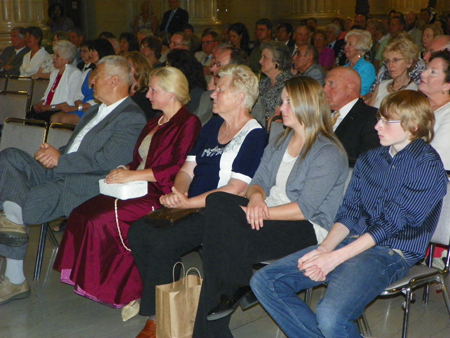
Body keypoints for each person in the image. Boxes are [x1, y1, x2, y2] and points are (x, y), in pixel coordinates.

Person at [250, 89, 448, 338]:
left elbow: (391, 225)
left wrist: (334, 258)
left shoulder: (427, 165)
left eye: (387, 121)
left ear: (414, 126)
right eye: (379, 118)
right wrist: (324, 249)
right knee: (266, 282)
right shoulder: (370, 159)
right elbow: (349, 212)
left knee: (331, 316)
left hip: (390, 252)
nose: (377, 125)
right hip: (351, 242)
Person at [192, 75, 348, 337]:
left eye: (287, 102)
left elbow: (305, 209)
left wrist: (258, 211)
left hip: (307, 228)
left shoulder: (328, 151)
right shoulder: (280, 140)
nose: (280, 108)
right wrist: (254, 199)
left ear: (306, 106)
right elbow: (258, 182)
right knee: (217, 205)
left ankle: (214, 321)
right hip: (266, 216)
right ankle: (238, 284)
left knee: (220, 241)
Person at [128, 64, 268, 338]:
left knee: (161, 242)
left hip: (222, 212)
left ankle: (158, 319)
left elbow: (236, 189)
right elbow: (187, 169)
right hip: (193, 205)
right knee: (139, 231)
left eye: (220, 89)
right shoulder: (213, 125)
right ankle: (168, 303)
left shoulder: (254, 134)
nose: (212, 94)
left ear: (240, 97)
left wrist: (187, 204)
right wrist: (179, 192)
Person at [0, 55, 147, 305]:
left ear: (113, 81)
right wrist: (52, 154)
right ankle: (10, 217)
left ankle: (14, 278)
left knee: (17, 204)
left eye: (96, 77)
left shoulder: (132, 117)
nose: (92, 83)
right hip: (61, 171)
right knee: (9, 155)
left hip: (80, 186)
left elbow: (106, 162)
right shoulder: (95, 112)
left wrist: (61, 160)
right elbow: (75, 147)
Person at [53, 66, 201, 310]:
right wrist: (122, 170)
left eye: (153, 90)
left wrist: (132, 175)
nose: (148, 95)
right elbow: (140, 158)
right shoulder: (155, 122)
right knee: (82, 212)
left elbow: (177, 166)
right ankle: (94, 281)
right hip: (138, 186)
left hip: (159, 192)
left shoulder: (188, 122)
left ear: (171, 93)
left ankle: (119, 289)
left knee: (102, 219)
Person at [48, 38, 116, 127]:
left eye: (93, 51)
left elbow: (101, 99)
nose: (90, 54)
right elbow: (77, 94)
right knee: (54, 118)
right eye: (90, 51)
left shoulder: (109, 74)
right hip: (81, 107)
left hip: (95, 109)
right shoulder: (87, 72)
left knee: (64, 120)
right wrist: (79, 104)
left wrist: (79, 107)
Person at [326, 67, 379, 159]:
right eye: (325, 84)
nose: (325, 89)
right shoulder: (322, 114)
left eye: (331, 84)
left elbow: (367, 162)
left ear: (350, 88)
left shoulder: (370, 118)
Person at [26, 41, 82, 124]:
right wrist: (40, 104)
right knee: (28, 114)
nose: (54, 58)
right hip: (48, 108)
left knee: (39, 119)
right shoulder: (54, 73)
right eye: (54, 55)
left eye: (57, 56)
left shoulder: (75, 73)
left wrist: (48, 108)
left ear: (67, 60)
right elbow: (46, 96)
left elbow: (70, 101)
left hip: (60, 110)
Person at [419, 50, 450, 170]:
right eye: (426, 68)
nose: (423, 74)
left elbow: (434, 156)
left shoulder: (447, 113)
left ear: (447, 85)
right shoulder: (418, 105)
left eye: (433, 72)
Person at [368, 39, 419, 108]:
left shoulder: (414, 91)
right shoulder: (381, 86)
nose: (390, 65)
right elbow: (369, 115)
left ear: (409, 63)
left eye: (395, 60)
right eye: (388, 61)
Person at [259, 41, 292, 121]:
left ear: (277, 62)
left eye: (265, 57)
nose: (260, 61)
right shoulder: (264, 82)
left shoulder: (288, 84)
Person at [124, 51, 160, 121]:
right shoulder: (123, 93)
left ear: (139, 69)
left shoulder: (147, 96)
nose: (122, 71)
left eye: (128, 67)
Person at [343, 29, 375, 95]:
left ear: (360, 49)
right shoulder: (344, 68)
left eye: (350, 44)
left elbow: (362, 92)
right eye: (346, 43)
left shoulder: (367, 68)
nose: (346, 47)